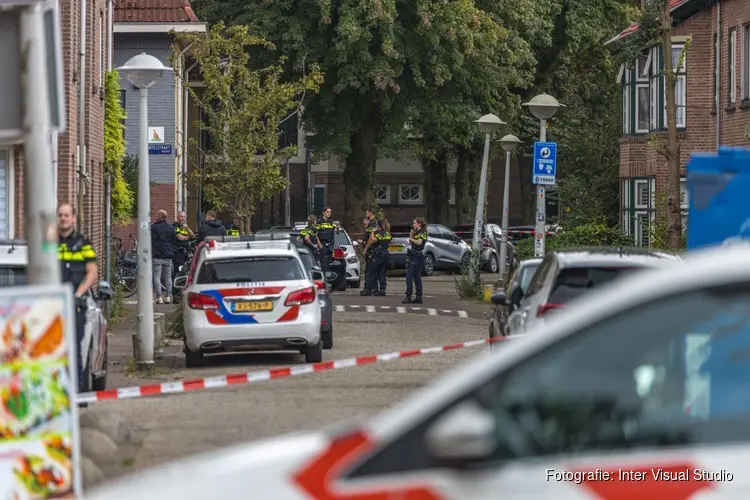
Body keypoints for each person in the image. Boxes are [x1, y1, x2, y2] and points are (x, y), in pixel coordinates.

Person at [57, 203, 98, 396]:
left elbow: (92, 273)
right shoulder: (50, 244)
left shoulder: (84, 244)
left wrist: (78, 293)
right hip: (53, 307)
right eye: (60, 215)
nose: (63, 218)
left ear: (73, 218)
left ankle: (77, 394)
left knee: (74, 349)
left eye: (66, 215)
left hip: (75, 306)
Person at [151, 210, 175, 304]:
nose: (156, 216)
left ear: (160, 216)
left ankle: (159, 297)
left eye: (157, 214)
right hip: (168, 255)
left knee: (157, 276)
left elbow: (150, 236)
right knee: (168, 276)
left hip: (157, 255)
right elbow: (173, 239)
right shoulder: (170, 227)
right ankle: (168, 296)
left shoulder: (154, 227)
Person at [403, 217, 428, 304]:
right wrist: (411, 233)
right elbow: (410, 242)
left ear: (419, 224)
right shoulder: (417, 232)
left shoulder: (422, 232)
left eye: (414, 223)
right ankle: (418, 297)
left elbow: (419, 242)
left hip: (417, 256)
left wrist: (412, 239)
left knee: (409, 277)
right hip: (415, 255)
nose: (413, 225)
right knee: (417, 277)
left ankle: (408, 296)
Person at [366, 218, 391, 296]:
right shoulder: (387, 234)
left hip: (379, 255)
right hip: (386, 255)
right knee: (382, 273)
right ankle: (382, 290)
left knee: (372, 271)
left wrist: (373, 231)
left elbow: (373, 239)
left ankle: (374, 289)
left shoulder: (379, 233)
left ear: (378, 226)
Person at [358, 208, 379, 294]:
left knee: (369, 271)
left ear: (370, 213)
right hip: (372, 249)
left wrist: (365, 249)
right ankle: (374, 288)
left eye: (367, 212)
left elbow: (371, 239)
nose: (366, 214)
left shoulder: (373, 224)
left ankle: (368, 289)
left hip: (371, 250)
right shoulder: (372, 223)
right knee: (372, 270)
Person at [316, 206, 339, 274]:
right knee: (324, 264)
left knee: (329, 264)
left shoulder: (331, 222)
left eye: (330, 212)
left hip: (330, 246)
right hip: (323, 245)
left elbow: (337, 233)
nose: (329, 213)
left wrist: (337, 227)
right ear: (323, 213)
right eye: (327, 212)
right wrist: (320, 246)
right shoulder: (319, 222)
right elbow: (315, 234)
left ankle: (328, 279)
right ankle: (324, 281)